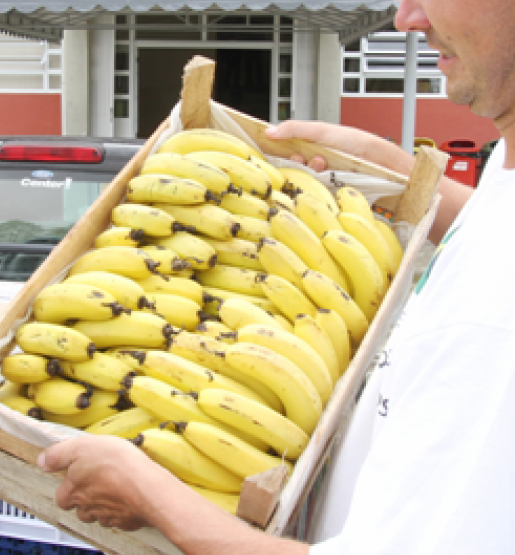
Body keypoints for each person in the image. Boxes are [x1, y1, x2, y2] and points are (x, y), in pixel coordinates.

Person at [35, 0, 515, 553]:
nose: (407, 18)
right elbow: (492, 225)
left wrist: (154, 500)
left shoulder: (495, 324)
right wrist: (384, 164)